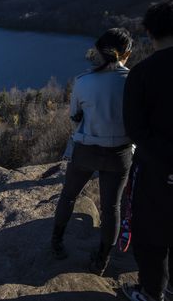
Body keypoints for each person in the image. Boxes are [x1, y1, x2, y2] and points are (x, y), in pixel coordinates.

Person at [50, 28, 134, 275]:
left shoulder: (84, 81)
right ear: (126, 53)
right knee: (112, 208)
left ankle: (56, 243)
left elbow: (75, 117)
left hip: (86, 149)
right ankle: (101, 260)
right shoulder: (133, 80)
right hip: (119, 153)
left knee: (68, 196)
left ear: (98, 52)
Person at [121, 0, 173, 301]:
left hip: (156, 170)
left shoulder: (141, 74)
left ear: (150, 33)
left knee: (152, 236)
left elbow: (135, 130)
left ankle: (151, 293)